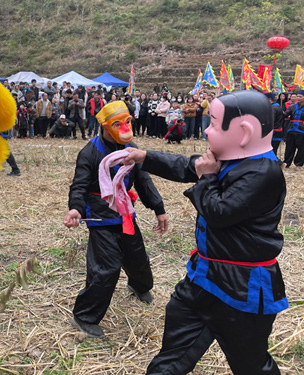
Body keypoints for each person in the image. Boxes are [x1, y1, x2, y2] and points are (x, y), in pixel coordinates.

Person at [124, 90, 286, 375]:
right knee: (172, 357)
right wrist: (144, 157)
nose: (207, 130)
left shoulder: (264, 173)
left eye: (213, 123)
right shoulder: (229, 156)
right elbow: (189, 166)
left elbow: (219, 213)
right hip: (202, 279)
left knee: (250, 364)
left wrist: (208, 177)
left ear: (243, 132)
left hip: (242, 287)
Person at [63, 101, 168, 339]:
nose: (125, 128)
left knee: (137, 255)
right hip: (100, 215)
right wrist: (75, 209)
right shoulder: (90, 152)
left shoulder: (131, 148)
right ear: (105, 126)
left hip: (125, 212)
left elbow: (143, 181)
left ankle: (139, 286)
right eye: (118, 124)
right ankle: (84, 316)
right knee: (106, 267)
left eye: (128, 122)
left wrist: (158, 208)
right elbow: (79, 185)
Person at [283, 90, 304, 168]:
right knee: (289, 147)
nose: (298, 98)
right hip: (291, 129)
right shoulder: (292, 106)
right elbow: (286, 115)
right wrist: (282, 113)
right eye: (297, 96)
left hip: (302, 130)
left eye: (300, 96)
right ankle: (287, 163)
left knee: (302, 148)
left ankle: (298, 163)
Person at [267, 92, 284, 160]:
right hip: (278, 130)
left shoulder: (273, 108)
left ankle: (275, 163)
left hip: (274, 131)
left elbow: (271, 120)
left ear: (270, 99)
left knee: (272, 150)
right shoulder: (278, 106)